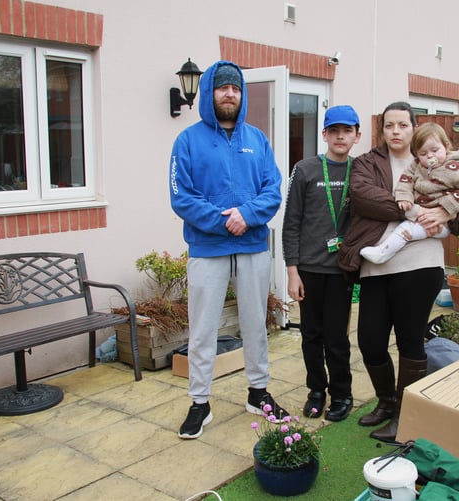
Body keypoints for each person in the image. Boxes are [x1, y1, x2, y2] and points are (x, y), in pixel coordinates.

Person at [338, 101, 459, 442]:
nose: (395, 131)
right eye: (388, 126)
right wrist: (419, 211)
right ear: (381, 131)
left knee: (410, 339)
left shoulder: (438, 160)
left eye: (402, 125)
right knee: (369, 339)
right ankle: (386, 402)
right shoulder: (367, 163)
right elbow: (363, 198)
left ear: (415, 128)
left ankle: (404, 415)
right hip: (376, 264)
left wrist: (446, 211)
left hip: (420, 263)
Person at [169, 60, 288, 439]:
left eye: (235, 88)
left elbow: (273, 189)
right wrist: (224, 222)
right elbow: (181, 197)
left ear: (242, 93)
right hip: (208, 249)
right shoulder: (188, 140)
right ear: (210, 92)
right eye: (222, 88)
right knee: (203, 329)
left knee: (256, 323)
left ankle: (259, 393)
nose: (229, 94)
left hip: (252, 246)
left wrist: (247, 215)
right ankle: (200, 403)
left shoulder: (258, 140)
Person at [282, 105, 361, 422]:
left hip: (342, 271)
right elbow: (291, 223)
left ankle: (342, 394)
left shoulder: (363, 171)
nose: (341, 136)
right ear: (324, 134)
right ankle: (317, 391)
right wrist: (292, 271)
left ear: (357, 135)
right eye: (334, 131)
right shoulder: (305, 170)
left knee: (337, 338)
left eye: (347, 131)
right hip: (310, 271)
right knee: (311, 335)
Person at [359, 122, 459, 264]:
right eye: (423, 153)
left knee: (405, 230)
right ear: (416, 154)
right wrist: (404, 197)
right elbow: (406, 181)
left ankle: (382, 253)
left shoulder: (456, 167)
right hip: (424, 216)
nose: (430, 156)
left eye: (435, 150)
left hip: (442, 222)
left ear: (446, 146)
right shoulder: (416, 165)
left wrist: (447, 207)